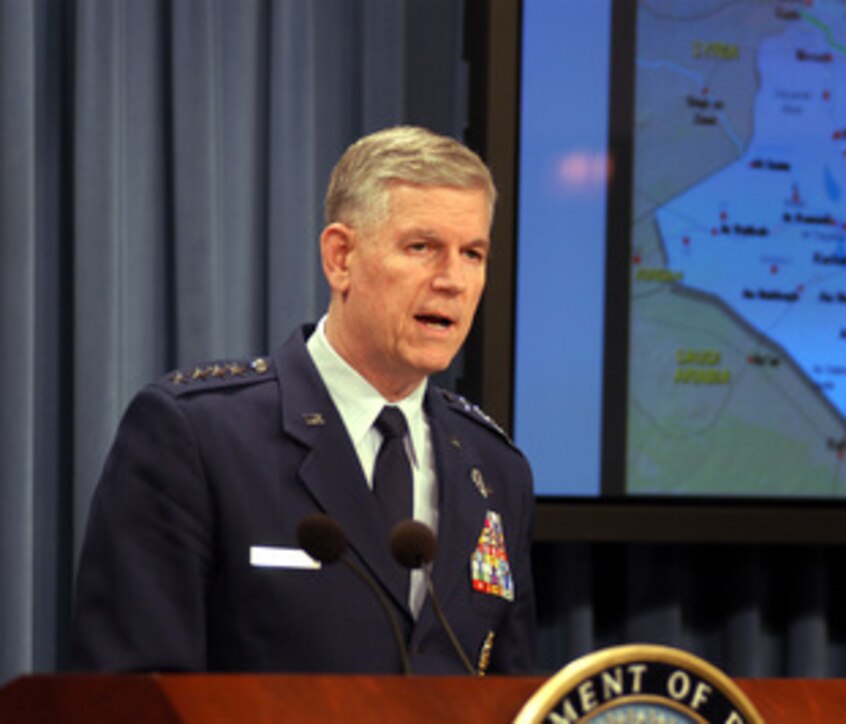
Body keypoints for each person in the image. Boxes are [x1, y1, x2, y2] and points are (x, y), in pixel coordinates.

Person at [70, 126, 536, 675]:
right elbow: (129, 697)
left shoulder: (495, 469)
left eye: (473, 254)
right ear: (340, 257)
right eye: (422, 247)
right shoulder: (196, 436)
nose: (453, 280)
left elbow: (518, 696)